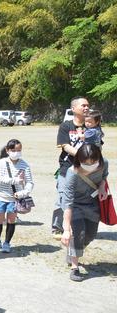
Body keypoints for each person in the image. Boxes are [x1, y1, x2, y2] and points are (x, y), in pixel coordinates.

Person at [61, 144, 109, 281]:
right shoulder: (72, 173)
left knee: (90, 235)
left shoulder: (104, 163)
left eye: (93, 163)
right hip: (76, 205)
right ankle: (74, 268)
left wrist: (102, 187)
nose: (89, 166)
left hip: (93, 205)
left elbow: (104, 178)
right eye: (85, 163)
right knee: (79, 233)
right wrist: (66, 230)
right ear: (78, 160)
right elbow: (68, 203)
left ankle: (73, 250)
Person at [52, 96, 90, 237]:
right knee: (62, 197)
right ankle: (57, 227)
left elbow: (96, 146)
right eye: (83, 105)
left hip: (86, 170)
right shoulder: (66, 126)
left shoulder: (91, 126)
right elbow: (66, 146)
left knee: (82, 198)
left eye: (88, 106)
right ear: (73, 109)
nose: (86, 108)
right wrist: (83, 156)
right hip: (67, 168)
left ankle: (76, 226)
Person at [0, 139, 34, 253]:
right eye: (13, 150)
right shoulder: (1, 163)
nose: (16, 153)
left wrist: (23, 192)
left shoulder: (24, 165)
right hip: (1, 196)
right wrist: (15, 180)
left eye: (19, 150)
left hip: (15, 198)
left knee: (11, 220)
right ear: (7, 150)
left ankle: (7, 242)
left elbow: (29, 182)